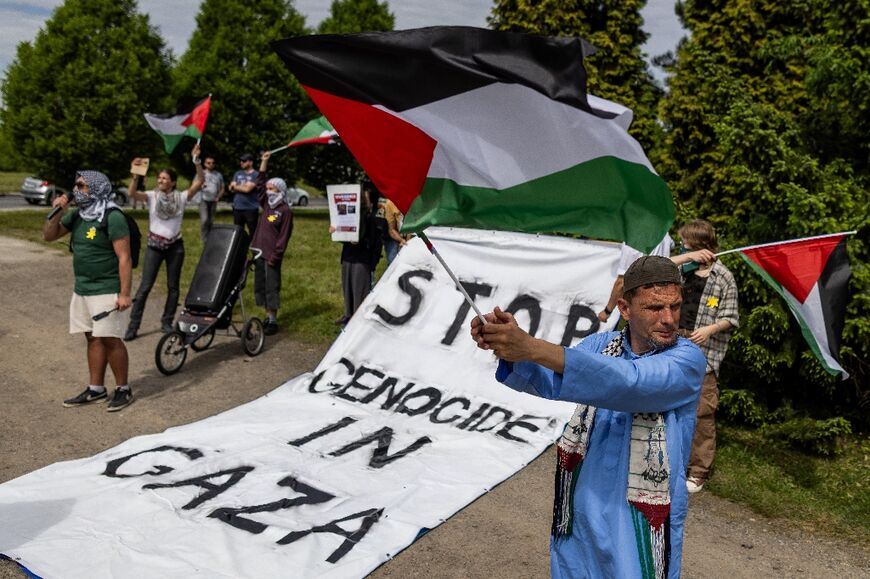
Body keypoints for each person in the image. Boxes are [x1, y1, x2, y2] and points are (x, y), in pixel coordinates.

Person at [470, 256, 706, 578]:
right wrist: (506, 346)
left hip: (639, 517)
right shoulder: (600, 344)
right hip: (582, 503)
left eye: (675, 307)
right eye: (654, 308)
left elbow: (628, 382)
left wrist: (530, 345)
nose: (668, 318)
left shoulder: (687, 359)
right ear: (624, 308)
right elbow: (554, 379)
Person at [43, 170, 135, 412]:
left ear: (96, 188)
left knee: (110, 338)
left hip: (106, 288)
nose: (76, 190)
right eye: (76, 185)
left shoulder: (112, 216)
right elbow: (49, 236)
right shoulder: (78, 215)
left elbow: (124, 258)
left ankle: (123, 389)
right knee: (92, 336)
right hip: (82, 287)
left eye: (82, 186)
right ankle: (96, 388)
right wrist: (57, 212)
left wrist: (125, 293)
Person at [669, 219, 739, 493]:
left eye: (686, 242)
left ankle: (698, 471)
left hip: (703, 352)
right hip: (673, 344)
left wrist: (710, 329)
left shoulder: (723, 277)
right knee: (666, 398)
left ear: (700, 244)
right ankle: (668, 459)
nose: (682, 245)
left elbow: (731, 317)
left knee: (702, 411)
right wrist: (686, 257)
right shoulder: (683, 269)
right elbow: (655, 266)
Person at [123, 144, 205, 340]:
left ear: (173, 182)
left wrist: (196, 161)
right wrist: (135, 174)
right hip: (154, 247)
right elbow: (132, 194)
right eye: (159, 178)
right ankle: (133, 326)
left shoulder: (182, 197)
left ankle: (166, 322)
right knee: (144, 287)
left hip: (175, 247)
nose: (160, 180)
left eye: (164, 178)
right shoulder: (152, 196)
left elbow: (200, 180)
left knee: (173, 287)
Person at [249, 151, 293, 336]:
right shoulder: (267, 204)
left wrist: (276, 255)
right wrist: (263, 162)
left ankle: (273, 319)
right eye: (268, 189)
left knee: (272, 286)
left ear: (280, 191)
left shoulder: (285, 211)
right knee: (261, 285)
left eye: (272, 189)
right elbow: (259, 183)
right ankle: (266, 315)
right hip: (258, 252)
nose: (268, 191)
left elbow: (284, 236)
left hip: (271, 255)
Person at [332, 181, 383, 326]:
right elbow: (344, 236)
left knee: (359, 291)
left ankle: (358, 322)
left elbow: (376, 244)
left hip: (362, 260)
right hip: (348, 257)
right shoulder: (351, 216)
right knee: (347, 289)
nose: (362, 202)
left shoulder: (373, 220)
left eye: (364, 199)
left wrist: (372, 264)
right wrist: (338, 233)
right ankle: (348, 315)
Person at [598, 233, 675, 323]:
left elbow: (622, 283)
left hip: (644, 306)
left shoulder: (633, 241)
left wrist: (607, 311)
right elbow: (672, 245)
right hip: (664, 302)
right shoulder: (664, 232)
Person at [228, 152, 259, 238]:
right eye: (241, 161)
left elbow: (247, 189)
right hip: (237, 207)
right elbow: (230, 188)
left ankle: (254, 249)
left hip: (250, 208)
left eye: (244, 161)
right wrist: (241, 186)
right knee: (237, 231)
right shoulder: (238, 173)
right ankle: (239, 249)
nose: (241, 162)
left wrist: (236, 187)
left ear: (250, 162)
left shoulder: (256, 175)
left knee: (252, 230)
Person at [198, 154, 225, 242]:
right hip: (203, 199)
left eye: (212, 163)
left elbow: (222, 187)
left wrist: (218, 197)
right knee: (204, 220)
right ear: (205, 164)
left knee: (211, 220)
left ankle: (210, 237)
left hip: (214, 200)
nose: (211, 164)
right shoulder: (201, 173)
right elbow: (194, 186)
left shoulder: (218, 175)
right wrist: (201, 185)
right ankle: (203, 238)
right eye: (208, 163)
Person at [383, 198, 412, 265]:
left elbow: (412, 225)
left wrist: (408, 242)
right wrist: (402, 240)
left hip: (412, 235)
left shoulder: (412, 201)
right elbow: (391, 230)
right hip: (396, 237)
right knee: (393, 263)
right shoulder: (390, 204)